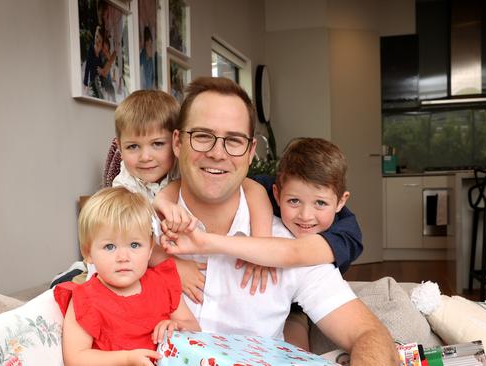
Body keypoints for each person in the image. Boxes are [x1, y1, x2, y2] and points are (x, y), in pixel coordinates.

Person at [163, 76, 398, 365]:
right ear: (177, 142)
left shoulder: (287, 244)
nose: (217, 152)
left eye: (234, 141)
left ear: (250, 152)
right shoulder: (131, 231)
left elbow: (369, 334)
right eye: (201, 135)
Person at [51, 90, 274, 299]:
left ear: (177, 144)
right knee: (88, 288)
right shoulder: (125, 185)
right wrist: (174, 265)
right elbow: (129, 237)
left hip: (149, 251)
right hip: (127, 254)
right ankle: (72, 276)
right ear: (119, 147)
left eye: (157, 144)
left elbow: (254, 188)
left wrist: (261, 245)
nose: (145, 157)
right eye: (132, 147)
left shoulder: (186, 169)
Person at [162, 137, 363, 350]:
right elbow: (200, 182)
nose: (306, 216)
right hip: (281, 296)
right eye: (293, 201)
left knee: (296, 331)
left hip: (303, 298)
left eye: (320, 203)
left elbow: (294, 253)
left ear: (341, 202)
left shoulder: (347, 233)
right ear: (277, 194)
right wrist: (162, 200)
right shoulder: (268, 186)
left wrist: (258, 249)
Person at [54, 187, 200, 366]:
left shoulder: (163, 282)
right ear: (88, 253)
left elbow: (194, 327)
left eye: (134, 244)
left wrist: (176, 327)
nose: (123, 257)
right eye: (110, 247)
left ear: (150, 249)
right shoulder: (86, 299)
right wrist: (127, 359)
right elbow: (75, 358)